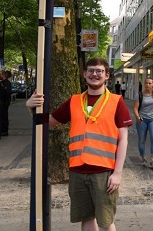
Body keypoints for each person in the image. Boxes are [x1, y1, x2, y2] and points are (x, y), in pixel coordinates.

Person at [26, 57, 132, 231]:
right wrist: (29, 106)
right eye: (91, 70)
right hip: (77, 171)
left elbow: (124, 139)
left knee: (106, 221)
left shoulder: (116, 102)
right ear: (84, 74)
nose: (94, 74)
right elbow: (46, 121)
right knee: (86, 218)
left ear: (107, 76)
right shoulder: (75, 101)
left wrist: (118, 173)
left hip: (103, 172)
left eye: (99, 71)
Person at [133, 78, 153, 168]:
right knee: (142, 140)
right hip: (142, 119)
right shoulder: (139, 95)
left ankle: (152, 160)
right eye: (146, 83)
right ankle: (143, 158)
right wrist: (137, 117)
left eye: (150, 83)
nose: (148, 85)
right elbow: (135, 108)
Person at [0, 70, 12, 136]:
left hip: (5, 102)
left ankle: (4, 131)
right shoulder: (2, 82)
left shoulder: (6, 83)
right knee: (2, 116)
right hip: (3, 101)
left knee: (4, 116)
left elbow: (7, 93)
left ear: (4, 75)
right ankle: (2, 129)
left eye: (0, 74)